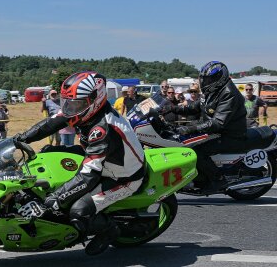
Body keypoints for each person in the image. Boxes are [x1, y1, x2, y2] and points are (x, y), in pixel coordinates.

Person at [15, 71, 145, 255]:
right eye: (67, 102)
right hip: (97, 158)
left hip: (122, 177)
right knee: (47, 152)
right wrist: (21, 138)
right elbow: (51, 123)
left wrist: (55, 199)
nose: (69, 108)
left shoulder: (103, 127)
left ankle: (109, 230)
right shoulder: (82, 108)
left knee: (78, 209)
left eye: (75, 103)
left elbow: (89, 175)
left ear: (95, 99)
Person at [165, 61, 247, 193]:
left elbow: (218, 122)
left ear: (219, 78)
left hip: (229, 134)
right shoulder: (213, 90)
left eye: (209, 79)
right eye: (204, 79)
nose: (206, 81)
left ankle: (218, 179)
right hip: (215, 131)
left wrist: (191, 128)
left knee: (195, 150)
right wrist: (172, 108)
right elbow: (195, 106)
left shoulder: (228, 93)